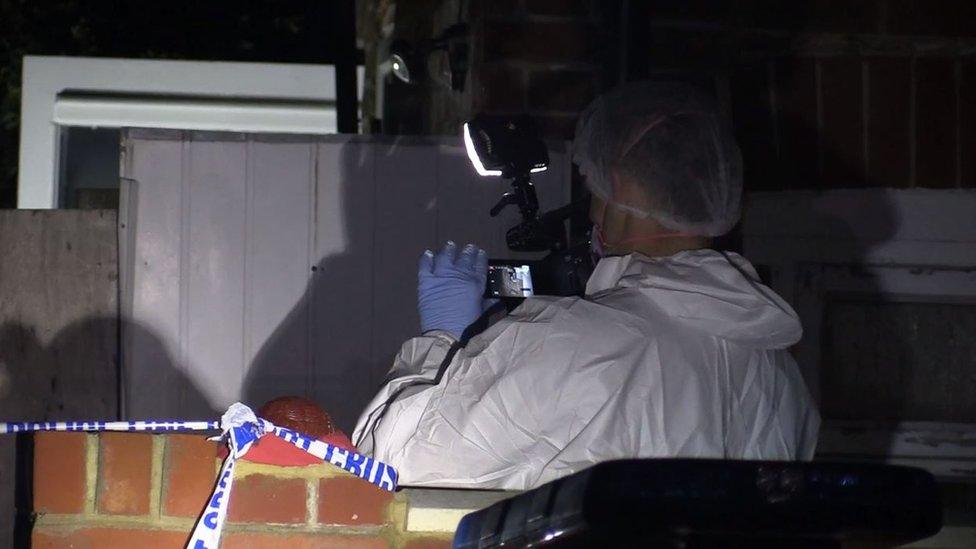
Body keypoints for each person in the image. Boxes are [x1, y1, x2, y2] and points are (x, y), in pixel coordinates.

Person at [353, 81, 820, 490]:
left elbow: (390, 468)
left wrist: (443, 343)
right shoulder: (780, 377)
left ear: (618, 186)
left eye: (592, 188)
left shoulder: (573, 343)